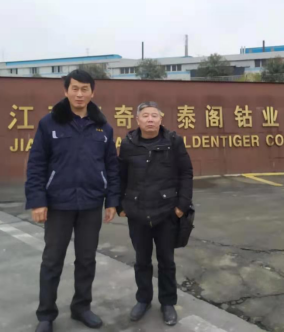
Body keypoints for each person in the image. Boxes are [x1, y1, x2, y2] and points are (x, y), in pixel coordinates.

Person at [25, 70, 120, 332]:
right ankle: (46, 315)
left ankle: (81, 307)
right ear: (66, 91)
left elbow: (111, 166)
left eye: (84, 89)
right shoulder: (49, 123)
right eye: (75, 88)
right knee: (52, 260)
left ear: (92, 92)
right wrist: (37, 201)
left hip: (91, 203)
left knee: (86, 260)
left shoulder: (103, 126)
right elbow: (36, 164)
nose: (79, 94)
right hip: (58, 204)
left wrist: (112, 201)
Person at [118, 101, 193, 326]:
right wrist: (120, 205)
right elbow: (120, 175)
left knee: (166, 261)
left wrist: (182, 205)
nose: (150, 119)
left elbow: (186, 173)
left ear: (161, 119)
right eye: (145, 115)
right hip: (137, 212)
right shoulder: (128, 143)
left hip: (166, 212)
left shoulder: (173, 141)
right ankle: (143, 300)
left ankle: (168, 303)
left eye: (154, 115)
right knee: (141, 261)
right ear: (137, 120)